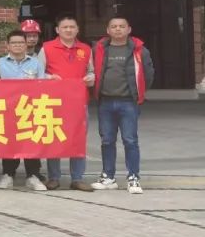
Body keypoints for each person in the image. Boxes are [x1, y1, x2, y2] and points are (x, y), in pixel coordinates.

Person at [91, 16, 154, 194]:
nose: (118, 29)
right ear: (108, 30)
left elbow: (148, 74)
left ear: (129, 29)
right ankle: (108, 177)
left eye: (121, 26)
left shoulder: (139, 50)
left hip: (128, 102)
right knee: (107, 140)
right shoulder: (99, 49)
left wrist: (138, 92)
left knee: (130, 140)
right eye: (114, 26)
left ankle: (133, 177)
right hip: (105, 101)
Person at [42, 14, 96, 191]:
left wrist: (91, 78)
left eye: (72, 27)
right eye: (65, 27)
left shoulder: (85, 49)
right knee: (53, 138)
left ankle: (77, 178)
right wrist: (49, 77)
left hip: (79, 103)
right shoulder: (47, 48)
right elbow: (37, 72)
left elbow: (91, 71)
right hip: (54, 102)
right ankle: (54, 177)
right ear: (57, 30)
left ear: (77, 29)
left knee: (78, 139)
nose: (68, 30)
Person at [0, 30, 48, 191]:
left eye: (20, 42)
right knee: (9, 143)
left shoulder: (36, 63)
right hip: (8, 109)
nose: (17, 45)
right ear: (7, 45)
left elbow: (42, 85)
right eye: (14, 42)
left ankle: (33, 176)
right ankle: (8, 174)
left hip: (30, 109)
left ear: (26, 45)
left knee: (31, 142)